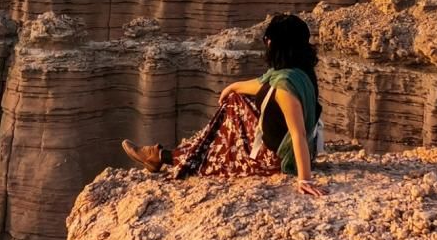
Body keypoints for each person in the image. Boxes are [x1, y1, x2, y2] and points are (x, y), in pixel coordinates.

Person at [121, 13, 328, 196]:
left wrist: (304, 179)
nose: (266, 43)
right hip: (281, 142)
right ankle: (190, 150)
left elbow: (297, 134)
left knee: (214, 157)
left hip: (275, 160)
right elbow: (262, 83)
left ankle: (161, 156)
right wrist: (233, 87)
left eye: (268, 39)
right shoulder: (298, 71)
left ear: (276, 44)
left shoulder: (285, 87)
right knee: (235, 100)